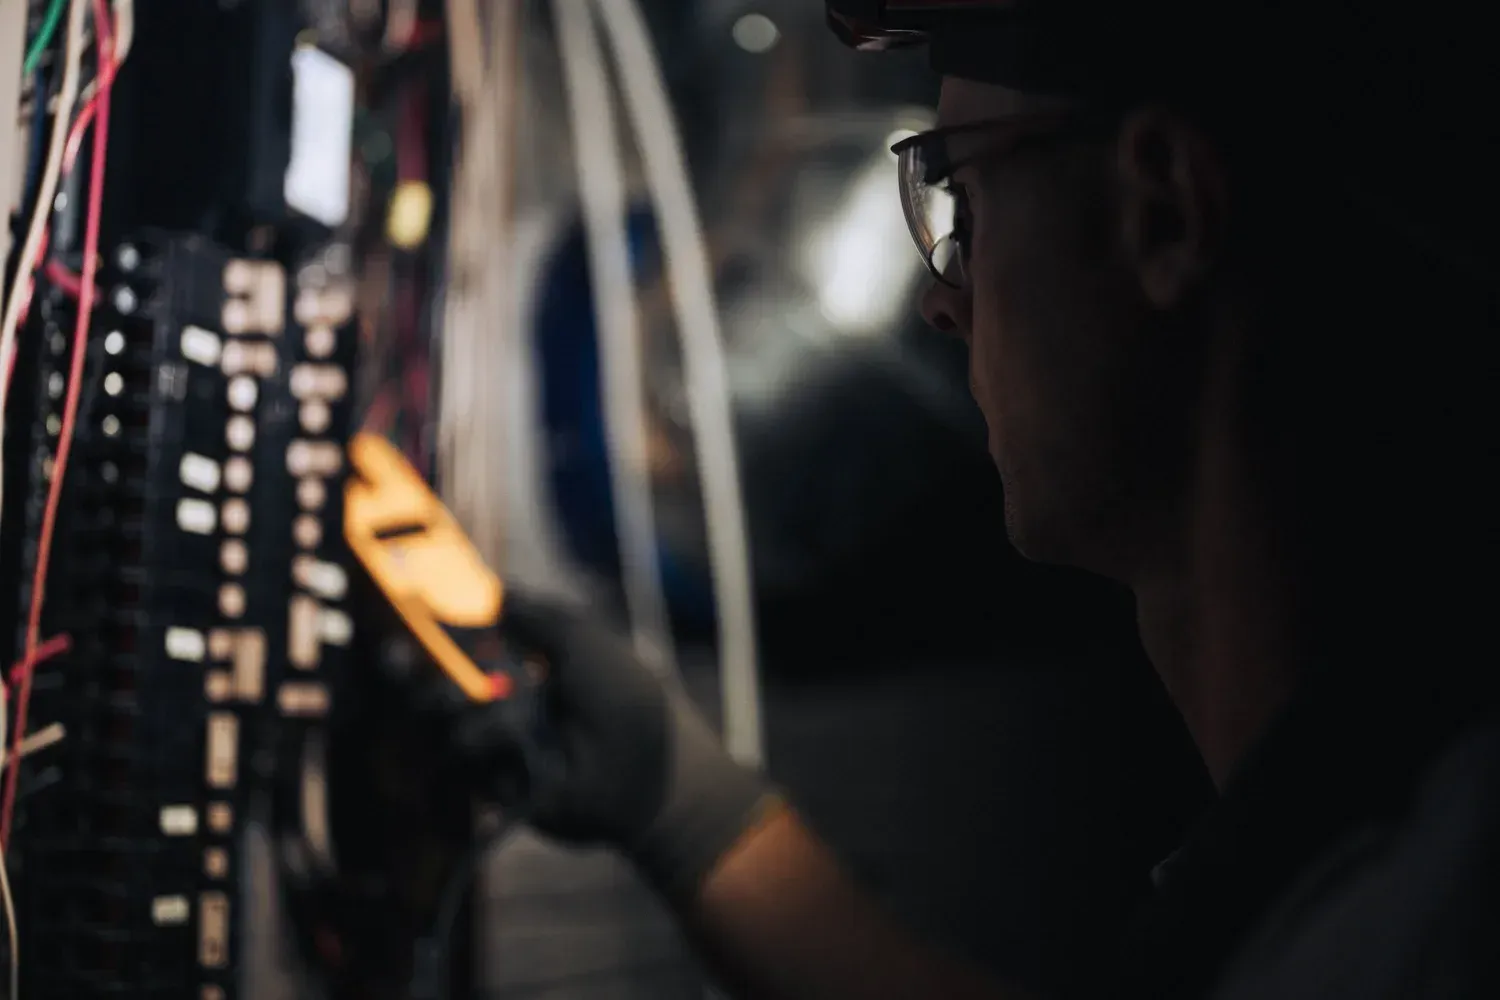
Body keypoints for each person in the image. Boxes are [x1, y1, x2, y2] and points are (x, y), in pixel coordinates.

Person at [440, 2, 1498, 997]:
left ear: (1165, 210)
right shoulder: (1357, 858)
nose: (945, 304)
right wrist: (687, 809)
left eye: (966, 198)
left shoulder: (1411, 936)